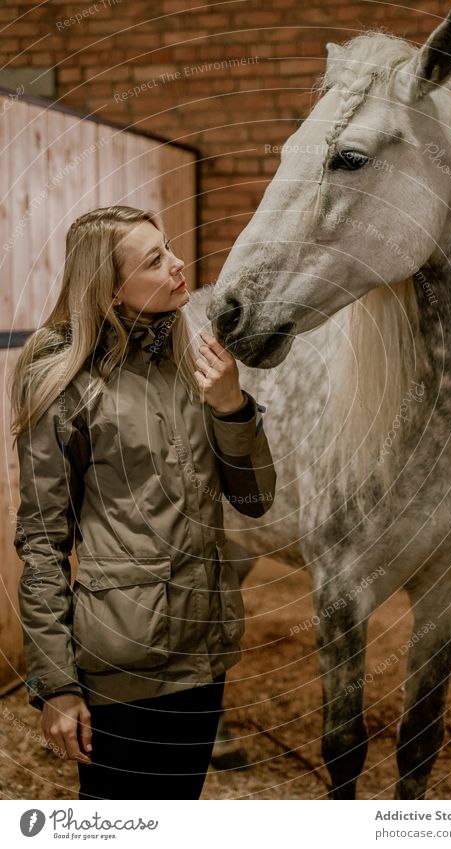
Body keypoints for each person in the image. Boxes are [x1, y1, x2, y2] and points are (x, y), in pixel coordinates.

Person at [10, 205, 276, 800]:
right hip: (123, 663)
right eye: (155, 260)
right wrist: (57, 685)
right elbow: (43, 545)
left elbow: (256, 498)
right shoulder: (61, 380)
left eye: (170, 248)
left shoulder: (192, 359)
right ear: (109, 291)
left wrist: (233, 408)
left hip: (204, 644)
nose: (180, 265)